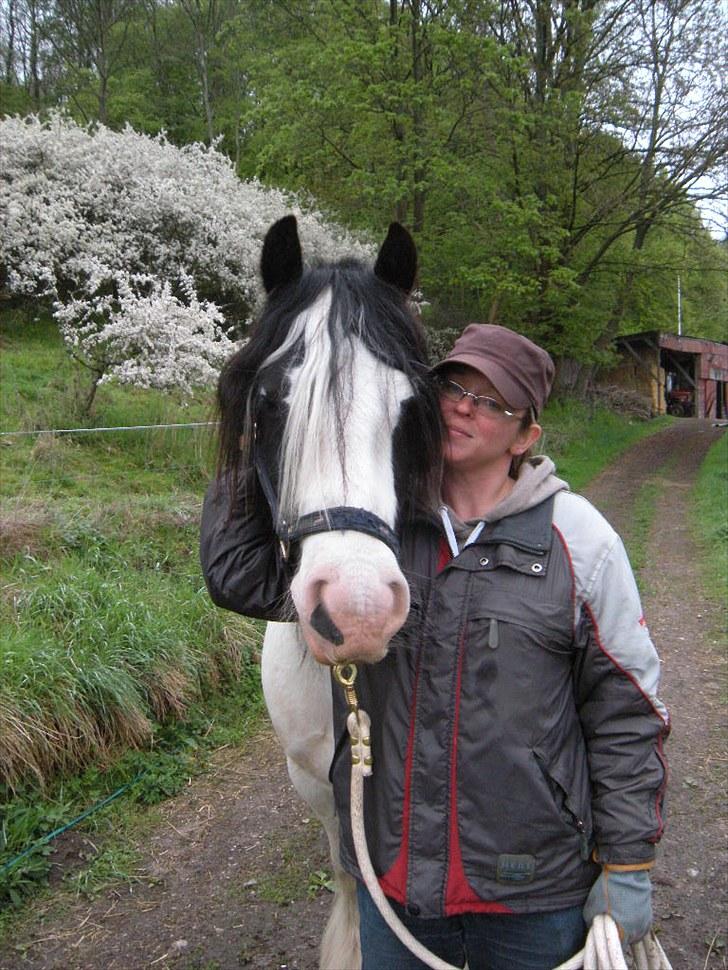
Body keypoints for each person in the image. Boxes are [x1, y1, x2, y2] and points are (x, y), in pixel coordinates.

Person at [200, 323, 669, 970]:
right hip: (397, 891)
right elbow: (239, 574)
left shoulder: (580, 542)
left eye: (491, 400)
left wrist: (629, 866)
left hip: (535, 894)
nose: (462, 407)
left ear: (527, 435)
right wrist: (263, 415)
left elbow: (627, 715)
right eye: (452, 386)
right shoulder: (374, 536)